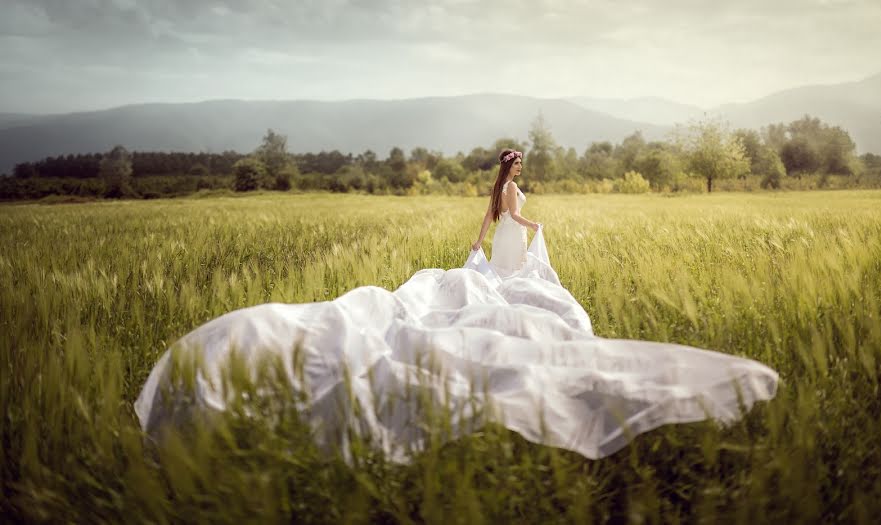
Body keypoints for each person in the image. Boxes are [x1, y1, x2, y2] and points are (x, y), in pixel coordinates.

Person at [135, 148, 779, 464]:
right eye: (519, 163)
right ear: (516, 166)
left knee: (490, 284)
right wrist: (525, 233)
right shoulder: (514, 192)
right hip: (507, 241)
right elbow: (510, 220)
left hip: (494, 244)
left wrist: (478, 251)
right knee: (505, 297)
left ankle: (488, 278)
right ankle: (493, 283)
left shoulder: (499, 187)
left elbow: (486, 222)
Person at [471, 149, 542, 277]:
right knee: (513, 273)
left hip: (502, 234)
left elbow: (488, 216)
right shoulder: (511, 186)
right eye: (516, 163)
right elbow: (514, 215)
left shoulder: (498, 186)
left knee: (501, 274)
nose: (520, 166)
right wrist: (532, 225)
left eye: (520, 163)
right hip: (513, 234)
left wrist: (479, 242)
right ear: (508, 166)